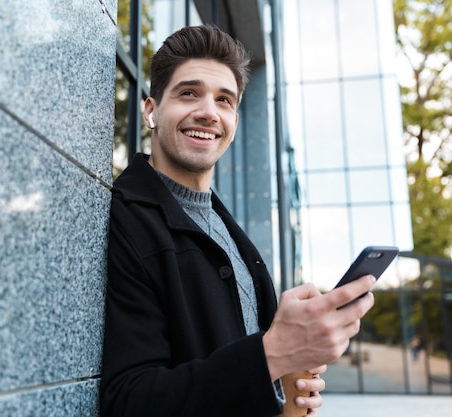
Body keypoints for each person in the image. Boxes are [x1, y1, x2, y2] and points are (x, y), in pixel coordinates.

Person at [99, 24, 376, 417]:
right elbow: (129, 401)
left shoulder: (226, 229)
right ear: (151, 111)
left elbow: (245, 374)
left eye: (225, 100)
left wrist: (287, 381)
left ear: (234, 122)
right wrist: (274, 353)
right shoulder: (127, 220)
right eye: (189, 93)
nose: (208, 112)